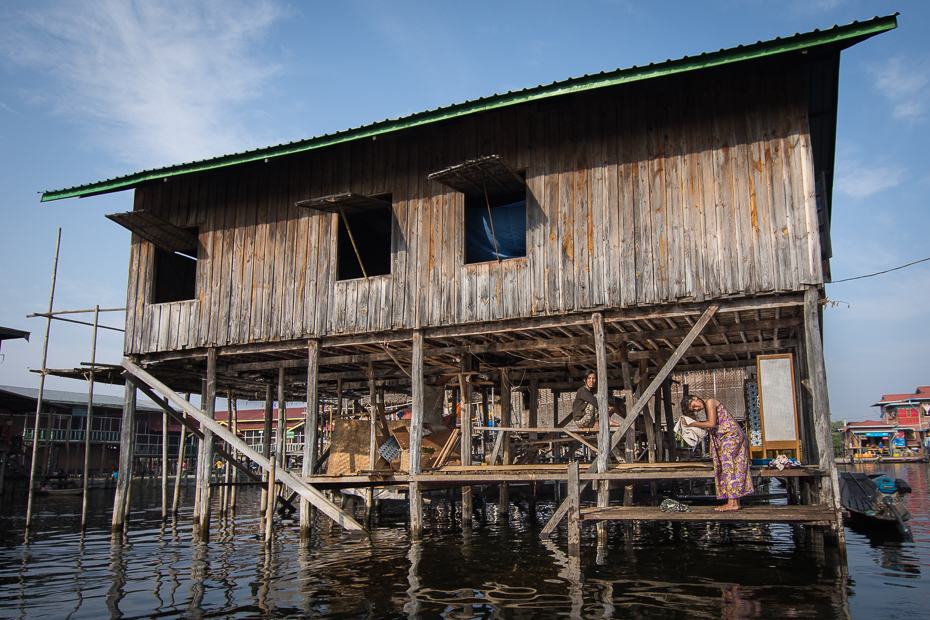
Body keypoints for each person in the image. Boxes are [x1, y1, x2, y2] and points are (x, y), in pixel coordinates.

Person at [682, 394, 753, 511]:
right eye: (693, 410)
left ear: (695, 398)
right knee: (734, 468)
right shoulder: (707, 406)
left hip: (730, 436)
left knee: (728, 467)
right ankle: (735, 502)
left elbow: (711, 424)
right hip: (730, 436)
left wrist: (693, 424)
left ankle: (732, 503)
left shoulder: (710, 402)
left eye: (694, 406)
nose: (697, 409)